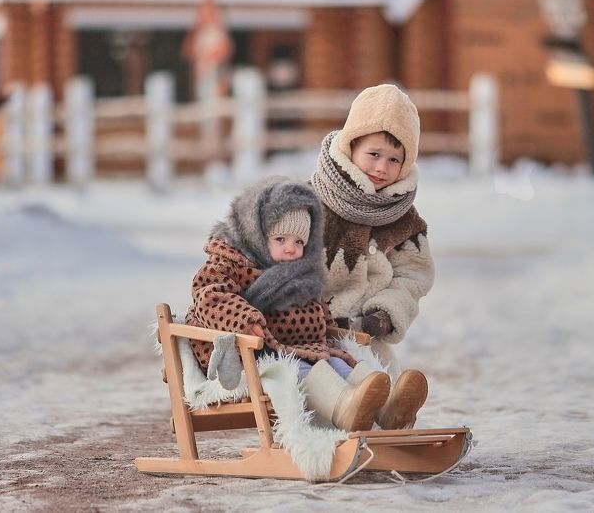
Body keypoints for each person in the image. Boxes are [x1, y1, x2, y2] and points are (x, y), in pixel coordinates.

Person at [184, 176, 427, 431]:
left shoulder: (303, 272)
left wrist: (331, 332)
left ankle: (389, 407)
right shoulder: (229, 261)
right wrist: (244, 319)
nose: (291, 249)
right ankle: (344, 408)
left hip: (305, 346)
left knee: (339, 363)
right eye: (280, 240)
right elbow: (210, 294)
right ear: (256, 235)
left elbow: (321, 311)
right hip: (256, 351)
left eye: (298, 242)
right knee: (301, 370)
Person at [310, 83, 435, 379]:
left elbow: (413, 277)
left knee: (382, 375)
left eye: (394, 159)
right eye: (374, 154)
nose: (381, 167)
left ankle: (393, 411)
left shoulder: (404, 220)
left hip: (366, 333)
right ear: (350, 147)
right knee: (330, 380)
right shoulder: (311, 201)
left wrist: (385, 313)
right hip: (310, 328)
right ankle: (351, 408)